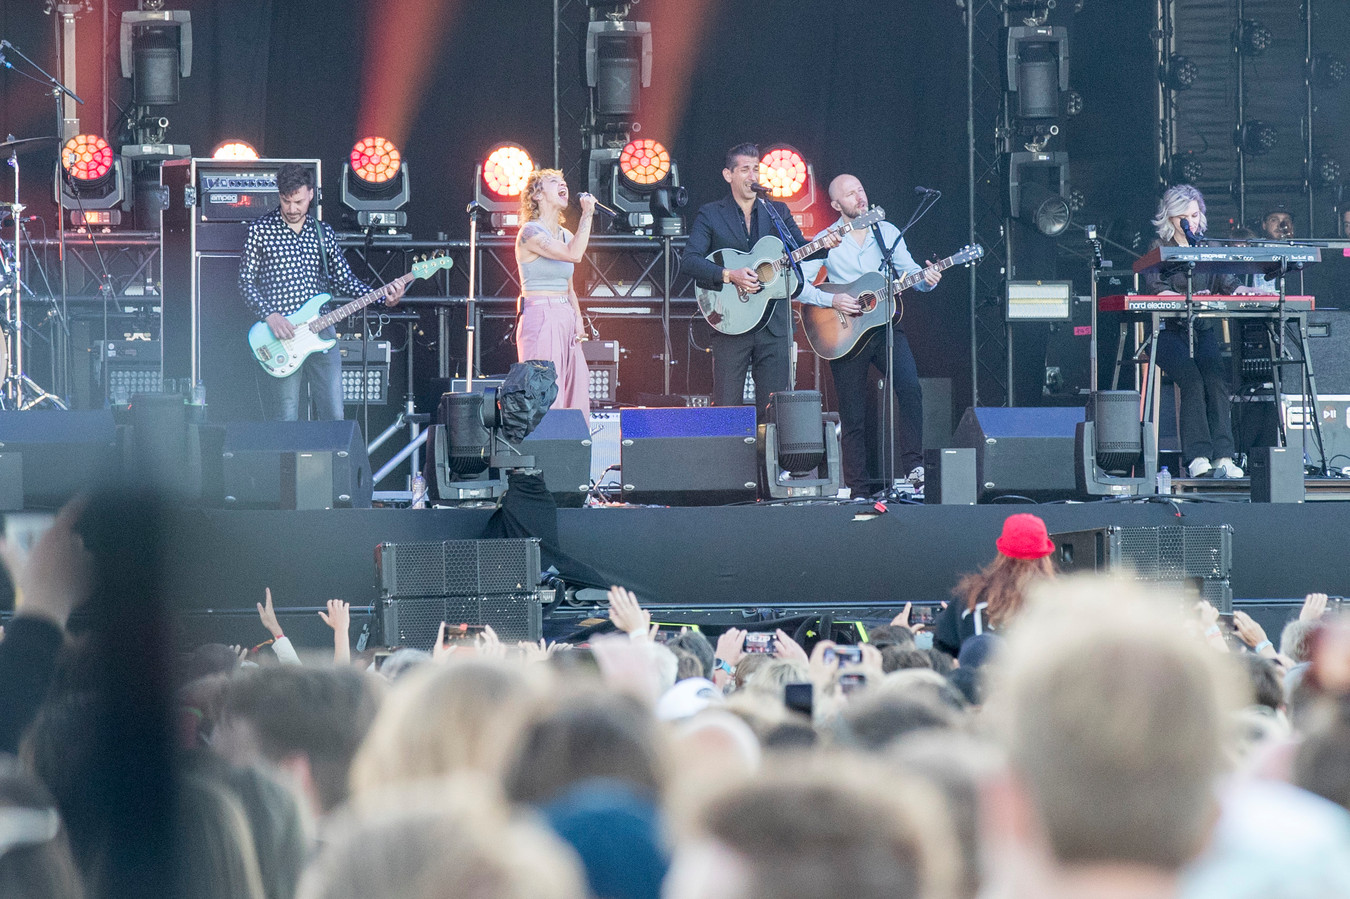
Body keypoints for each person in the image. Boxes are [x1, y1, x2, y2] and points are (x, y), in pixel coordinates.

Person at [797, 174, 941, 496]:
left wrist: (928, 279)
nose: (859, 197)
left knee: (910, 388)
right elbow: (799, 286)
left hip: (885, 326)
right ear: (835, 204)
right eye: (850, 194)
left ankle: (915, 469)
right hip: (843, 333)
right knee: (853, 415)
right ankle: (858, 490)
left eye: (861, 190)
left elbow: (912, 274)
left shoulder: (886, 232)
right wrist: (832, 299)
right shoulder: (827, 238)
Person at [238, 163, 405, 422]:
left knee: (334, 415)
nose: (292, 209)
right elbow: (245, 283)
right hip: (281, 334)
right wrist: (270, 315)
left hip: (321, 328)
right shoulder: (261, 230)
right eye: (286, 201)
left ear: (311, 194)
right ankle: (288, 464)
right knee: (286, 417)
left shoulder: (322, 232)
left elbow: (345, 280)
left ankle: (332, 463)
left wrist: (384, 297)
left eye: (298, 201)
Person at [681, 143, 836, 419]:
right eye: (745, 169)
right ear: (728, 175)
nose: (752, 175)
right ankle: (729, 462)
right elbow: (690, 261)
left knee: (775, 411)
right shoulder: (711, 214)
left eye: (756, 169)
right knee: (727, 407)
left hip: (774, 327)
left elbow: (799, 250)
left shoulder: (777, 212)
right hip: (731, 324)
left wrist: (826, 245)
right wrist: (730, 275)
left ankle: (771, 463)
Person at [1142, 184, 1245, 478]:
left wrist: (1245, 290)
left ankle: (1224, 456)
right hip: (1167, 332)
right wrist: (1185, 296)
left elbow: (1230, 284)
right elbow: (1155, 289)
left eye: (1197, 214)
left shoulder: (1209, 250)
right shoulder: (1158, 250)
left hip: (1202, 329)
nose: (1193, 222)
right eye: (1186, 216)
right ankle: (1198, 457)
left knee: (1216, 380)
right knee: (1192, 381)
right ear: (1171, 218)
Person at [515, 169, 595, 415]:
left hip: (565, 315)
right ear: (537, 195)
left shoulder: (566, 235)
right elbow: (575, 255)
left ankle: (573, 450)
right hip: (541, 314)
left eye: (563, 181)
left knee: (576, 392)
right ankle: (545, 449)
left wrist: (579, 321)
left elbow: (569, 286)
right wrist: (588, 214)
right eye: (553, 182)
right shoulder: (530, 232)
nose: (563, 184)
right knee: (546, 393)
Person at [932, 513, 1055, 657]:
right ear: (1045, 558)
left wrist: (957, 614)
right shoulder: (1064, 603)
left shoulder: (969, 599)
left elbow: (941, 652)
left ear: (1002, 553)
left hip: (979, 679)